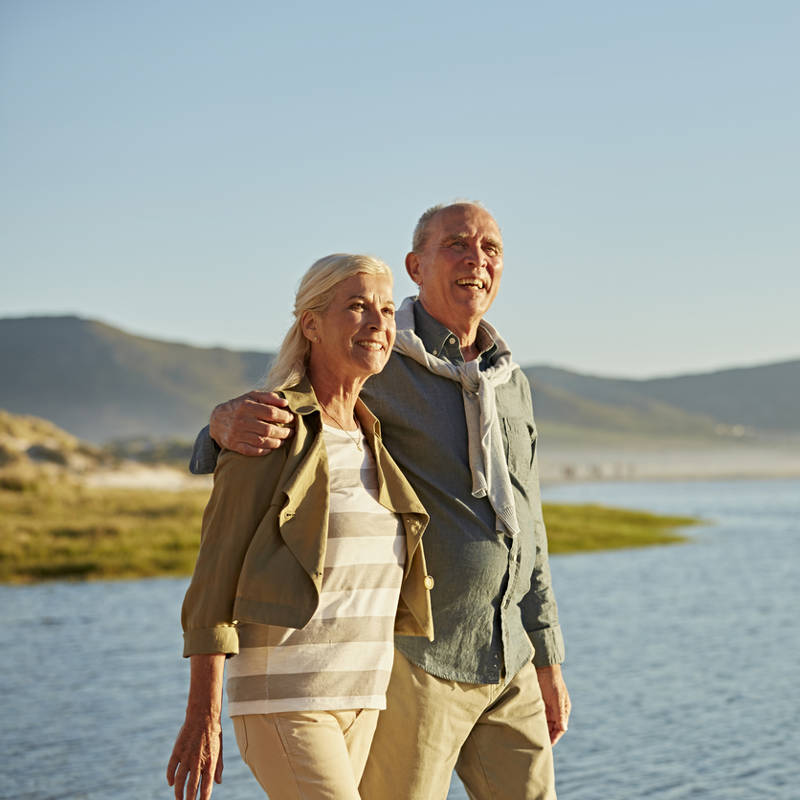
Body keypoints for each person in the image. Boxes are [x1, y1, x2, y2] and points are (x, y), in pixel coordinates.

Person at [191, 203, 571, 800]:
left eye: (491, 248)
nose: (476, 260)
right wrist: (217, 427)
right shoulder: (375, 356)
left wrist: (547, 654)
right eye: (457, 245)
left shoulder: (511, 381)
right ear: (416, 264)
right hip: (414, 662)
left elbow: (528, 527)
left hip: (508, 655)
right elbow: (284, 420)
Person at [167, 254, 434, 800]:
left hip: (365, 697)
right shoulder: (268, 429)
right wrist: (204, 716)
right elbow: (215, 577)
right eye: (356, 307)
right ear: (310, 324)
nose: (378, 323)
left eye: (386, 309)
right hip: (285, 701)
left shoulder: (370, 437)